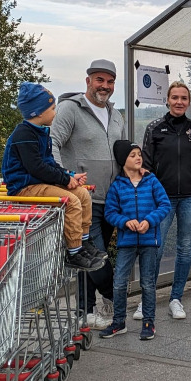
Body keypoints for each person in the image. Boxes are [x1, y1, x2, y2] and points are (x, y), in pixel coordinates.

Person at [51, 58, 127, 330]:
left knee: (91, 255)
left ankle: (85, 311)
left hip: (111, 198)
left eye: (109, 81)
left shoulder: (116, 114)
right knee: (95, 255)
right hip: (83, 199)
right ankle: (118, 302)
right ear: (88, 81)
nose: (104, 86)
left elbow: (123, 153)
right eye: (99, 80)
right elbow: (52, 144)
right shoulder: (70, 109)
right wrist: (64, 178)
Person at [1, 82, 105, 271]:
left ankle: (84, 241)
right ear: (38, 112)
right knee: (71, 201)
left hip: (39, 182)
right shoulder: (24, 134)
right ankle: (74, 252)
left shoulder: (42, 132)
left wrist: (69, 175)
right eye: (52, 108)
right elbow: (36, 168)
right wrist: (65, 180)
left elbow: (49, 163)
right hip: (24, 187)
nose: (55, 113)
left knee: (82, 194)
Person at [142, 81, 191, 320]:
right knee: (156, 248)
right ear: (168, 100)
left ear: (189, 102)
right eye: (175, 97)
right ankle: (147, 299)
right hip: (162, 199)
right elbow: (146, 166)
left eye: (184, 98)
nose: (179, 102)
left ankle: (176, 299)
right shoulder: (155, 128)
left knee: (184, 248)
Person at [102, 141, 171, 340]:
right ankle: (119, 322)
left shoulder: (151, 180)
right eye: (132, 155)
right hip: (127, 242)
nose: (138, 158)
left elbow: (164, 205)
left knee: (148, 283)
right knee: (119, 283)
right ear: (123, 160)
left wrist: (149, 221)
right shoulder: (117, 186)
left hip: (150, 241)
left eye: (139, 154)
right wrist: (125, 222)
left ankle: (149, 322)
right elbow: (110, 213)